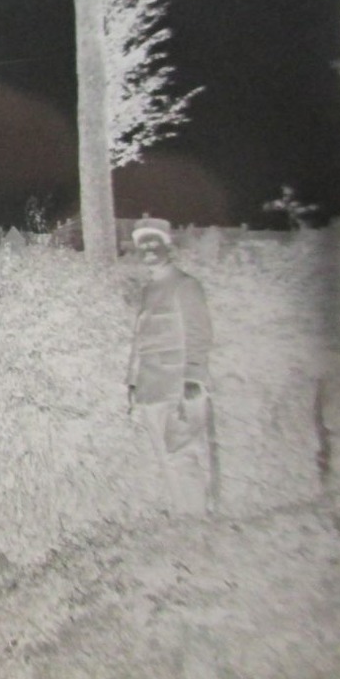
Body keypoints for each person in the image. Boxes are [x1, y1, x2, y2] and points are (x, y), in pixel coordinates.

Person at [126, 216, 215, 515]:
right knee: (165, 458)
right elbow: (140, 341)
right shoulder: (149, 290)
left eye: (154, 243)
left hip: (179, 387)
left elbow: (199, 334)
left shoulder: (186, 285)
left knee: (182, 455)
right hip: (151, 388)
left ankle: (197, 525)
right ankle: (183, 523)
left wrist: (193, 377)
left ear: (168, 247)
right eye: (142, 245)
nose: (148, 250)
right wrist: (133, 383)